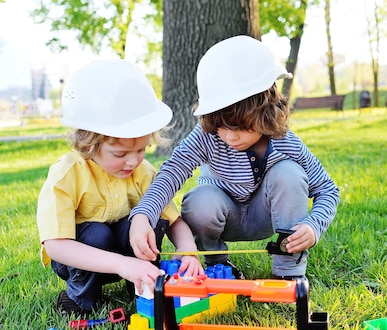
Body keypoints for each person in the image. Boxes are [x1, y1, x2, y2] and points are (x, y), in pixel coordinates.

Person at [129, 35, 340, 280]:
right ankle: (218, 265)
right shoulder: (206, 136)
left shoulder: (286, 143)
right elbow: (172, 172)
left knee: (289, 173)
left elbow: (328, 190)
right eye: (220, 125)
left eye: (240, 126)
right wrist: (143, 214)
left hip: (267, 216)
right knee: (199, 202)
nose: (229, 135)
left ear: (266, 112)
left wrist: (313, 226)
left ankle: (288, 274)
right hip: (222, 216)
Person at [37, 59, 203, 316]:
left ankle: (142, 286)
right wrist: (122, 263)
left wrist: (187, 251)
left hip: (127, 255)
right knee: (96, 234)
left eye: (141, 149)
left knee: (151, 220)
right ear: (89, 142)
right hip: (82, 258)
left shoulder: (143, 172)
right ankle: (80, 297)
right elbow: (55, 246)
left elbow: (173, 221)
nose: (134, 160)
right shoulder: (66, 175)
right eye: (121, 153)